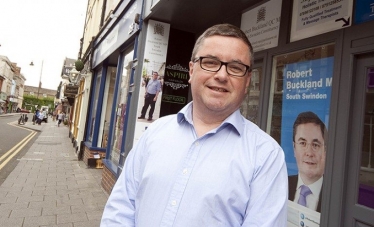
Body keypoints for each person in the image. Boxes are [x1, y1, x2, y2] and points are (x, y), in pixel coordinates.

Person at [101, 23, 288, 227]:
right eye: (210, 62)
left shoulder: (266, 156)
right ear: (191, 70)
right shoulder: (154, 132)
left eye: (235, 68)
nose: (222, 75)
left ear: (248, 80)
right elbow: (120, 209)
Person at [288, 111, 327, 212]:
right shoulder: (280, 185)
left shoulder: (336, 196)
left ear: (325, 151)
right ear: (294, 148)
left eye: (315, 145)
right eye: (302, 143)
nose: (309, 153)